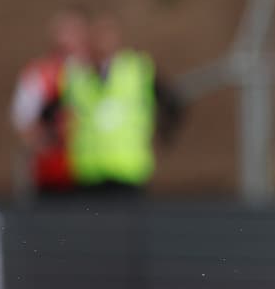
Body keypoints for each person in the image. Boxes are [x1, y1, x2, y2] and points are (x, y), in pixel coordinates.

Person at [54, 13, 183, 195]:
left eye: (106, 36)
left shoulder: (137, 69)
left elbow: (171, 100)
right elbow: (52, 111)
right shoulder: (75, 75)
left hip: (128, 170)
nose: (102, 43)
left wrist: (163, 134)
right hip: (88, 173)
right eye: (97, 37)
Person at [10, 6, 90, 196]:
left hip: (94, 170)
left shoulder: (95, 72)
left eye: (73, 33)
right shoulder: (39, 73)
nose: (67, 40)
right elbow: (22, 120)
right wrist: (46, 139)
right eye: (63, 33)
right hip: (51, 171)